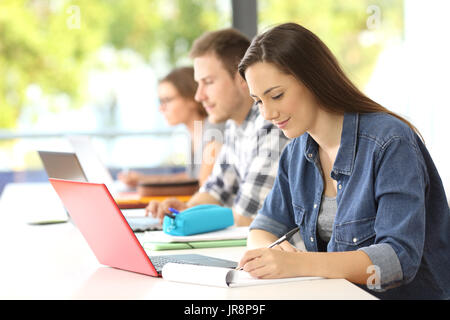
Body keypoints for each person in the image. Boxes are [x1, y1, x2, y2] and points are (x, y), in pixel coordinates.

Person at [236, 22, 450, 299]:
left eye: (276, 95)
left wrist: (298, 263)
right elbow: (264, 226)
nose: (267, 114)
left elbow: (397, 260)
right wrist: (272, 253)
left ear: (313, 79)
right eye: (258, 101)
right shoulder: (296, 153)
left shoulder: (390, 143)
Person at [146, 28, 290, 226]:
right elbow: (215, 190)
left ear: (242, 77)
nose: (199, 96)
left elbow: (245, 217)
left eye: (208, 82)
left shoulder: (271, 124)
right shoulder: (235, 126)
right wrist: (185, 208)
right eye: (198, 84)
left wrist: (187, 218)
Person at [118, 66, 224, 187]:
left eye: (167, 100)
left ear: (191, 99)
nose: (161, 108)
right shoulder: (195, 131)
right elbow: (191, 178)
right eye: (160, 101)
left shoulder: (214, 130)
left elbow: (201, 185)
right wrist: (144, 179)